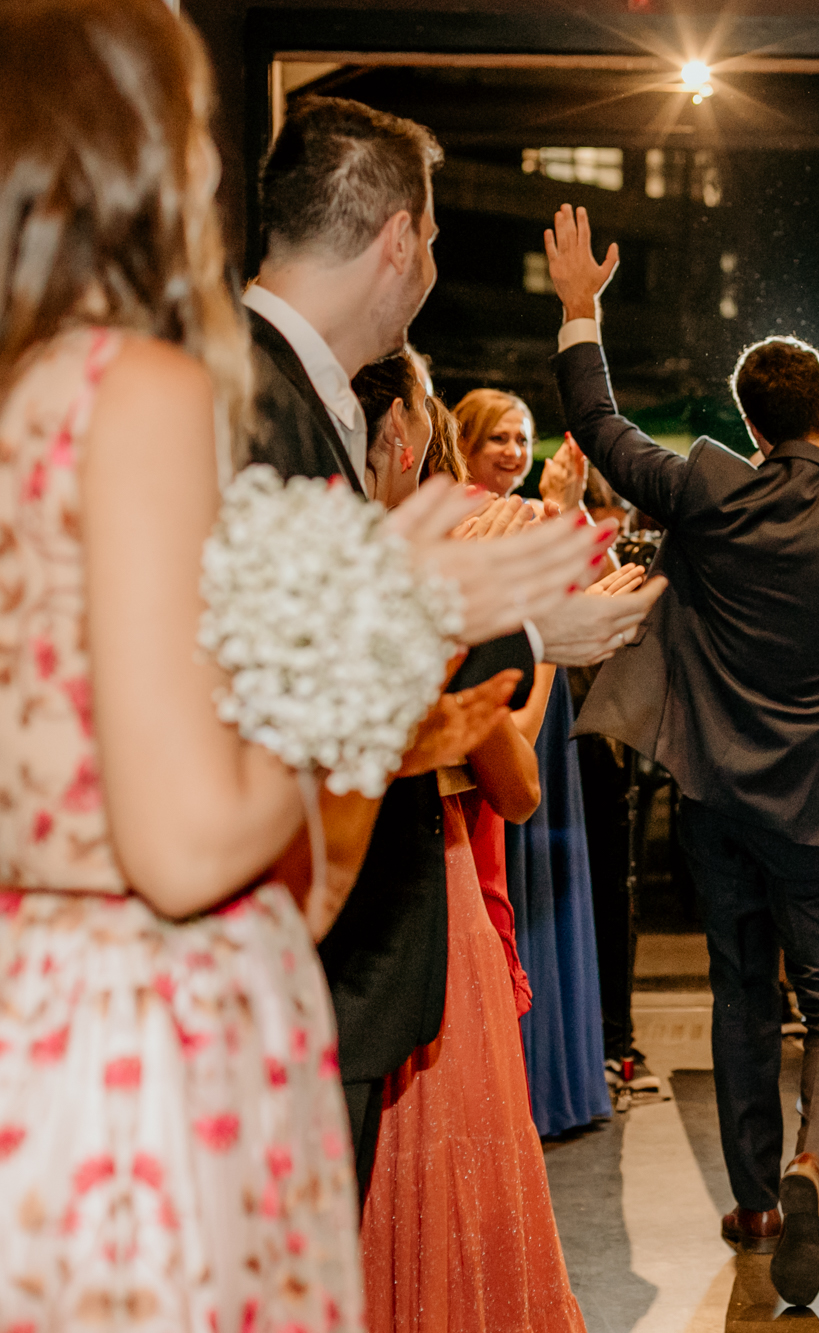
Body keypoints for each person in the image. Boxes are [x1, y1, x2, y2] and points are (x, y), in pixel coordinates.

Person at [0, 6, 577, 1324]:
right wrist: (396, 617)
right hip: (152, 1029)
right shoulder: (136, 390)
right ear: (147, 153)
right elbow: (193, 842)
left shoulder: (21, 389)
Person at [242, 96, 661, 1190]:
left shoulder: (295, 389)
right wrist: (524, 628)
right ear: (396, 239)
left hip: (334, 959)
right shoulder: (250, 401)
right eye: (430, 236)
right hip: (300, 967)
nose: (431, 258)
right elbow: (275, 687)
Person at [544, 203, 819, 1306]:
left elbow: (599, 422)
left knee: (738, 994)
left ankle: (758, 1198)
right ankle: (815, 1160)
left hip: (712, 795)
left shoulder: (704, 488)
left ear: (747, 418)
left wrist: (583, 308)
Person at [345, 347, 588, 1331]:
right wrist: (541, 667)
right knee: (462, 1139)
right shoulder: (429, 586)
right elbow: (518, 787)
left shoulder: (316, 559)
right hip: (432, 889)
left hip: (335, 893)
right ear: (402, 437)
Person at [454, 387, 616, 1138]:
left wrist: (570, 506)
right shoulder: (456, 524)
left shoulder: (529, 519)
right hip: (499, 718)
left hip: (540, 729)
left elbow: (590, 584)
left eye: (523, 439)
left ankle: (555, 1080)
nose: (515, 453)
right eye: (500, 440)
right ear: (463, 443)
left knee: (546, 891)